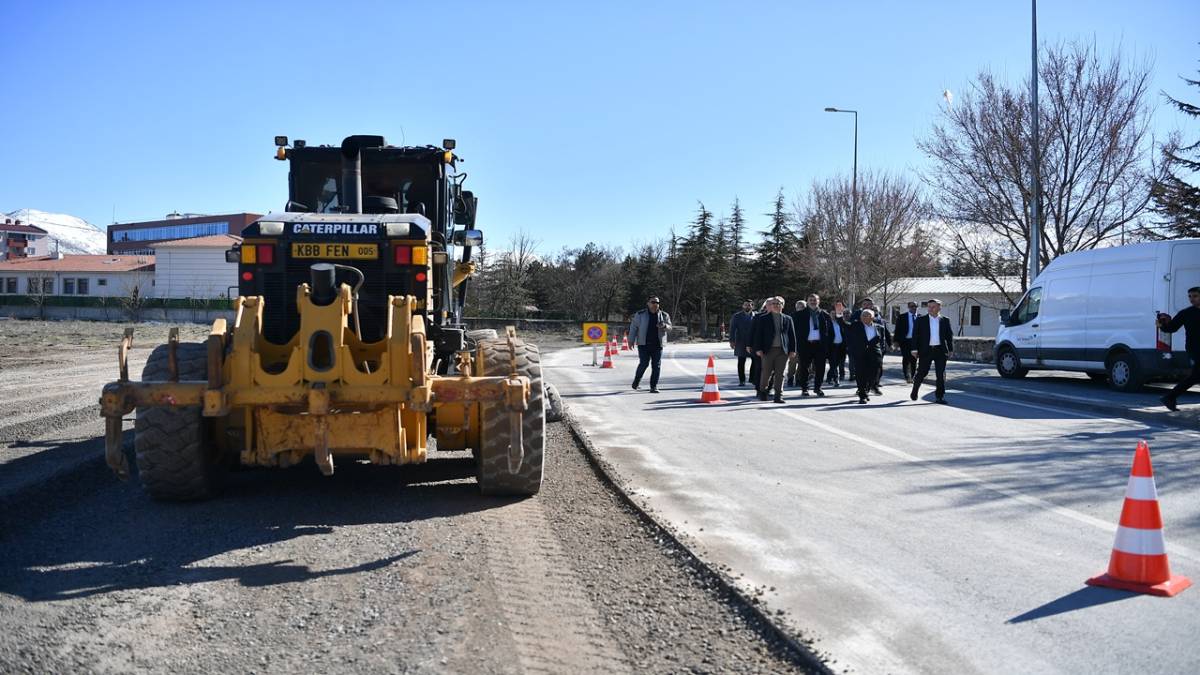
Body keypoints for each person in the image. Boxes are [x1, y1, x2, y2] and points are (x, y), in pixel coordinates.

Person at [1158, 286, 1200, 411]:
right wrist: (1162, 323)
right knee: (1196, 376)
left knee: (1196, 376)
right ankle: (1169, 397)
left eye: (1195, 296)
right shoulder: (1186, 313)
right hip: (1195, 349)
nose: (1191, 299)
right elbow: (1172, 328)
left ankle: (1169, 397)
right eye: (1190, 296)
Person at [751, 296, 797, 403]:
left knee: (780, 374)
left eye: (778, 303)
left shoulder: (788, 319)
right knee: (766, 372)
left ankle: (778, 396)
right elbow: (759, 335)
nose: (776, 305)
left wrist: (792, 350)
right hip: (768, 350)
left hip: (782, 351)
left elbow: (792, 336)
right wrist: (758, 349)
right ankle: (762, 391)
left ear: (782, 306)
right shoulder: (764, 318)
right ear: (771, 306)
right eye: (774, 303)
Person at [910, 298, 953, 404]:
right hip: (926, 350)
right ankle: (915, 390)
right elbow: (915, 335)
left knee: (941, 374)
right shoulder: (921, 320)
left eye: (933, 307)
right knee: (922, 372)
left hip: (940, 350)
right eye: (929, 306)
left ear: (939, 307)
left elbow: (949, 336)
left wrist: (950, 349)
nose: (930, 309)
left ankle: (939, 396)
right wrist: (914, 349)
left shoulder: (945, 320)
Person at [628, 296, 672, 393]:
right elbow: (633, 327)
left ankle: (654, 386)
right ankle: (636, 381)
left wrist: (664, 326)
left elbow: (670, 327)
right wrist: (630, 340)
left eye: (657, 303)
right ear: (648, 303)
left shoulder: (664, 315)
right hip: (643, 344)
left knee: (656, 366)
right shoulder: (640, 315)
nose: (655, 304)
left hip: (658, 345)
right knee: (644, 364)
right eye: (653, 302)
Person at [794, 294, 832, 397]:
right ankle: (804, 388)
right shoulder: (799, 315)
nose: (813, 302)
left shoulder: (824, 315)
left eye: (815, 300)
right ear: (807, 301)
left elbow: (829, 332)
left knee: (820, 368)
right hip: (805, 345)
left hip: (820, 345)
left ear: (819, 301)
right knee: (804, 368)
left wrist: (828, 345)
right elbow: (794, 331)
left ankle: (818, 388)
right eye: (811, 300)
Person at [847, 309, 885, 404]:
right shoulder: (856, 326)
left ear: (872, 317)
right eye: (862, 315)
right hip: (860, 354)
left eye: (866, 315)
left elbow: (882, 341)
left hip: (875, 355)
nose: (864, 317)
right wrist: (839, 315)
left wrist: (882, 351)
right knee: (861, 375)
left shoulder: (879, 327)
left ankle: (868, 388)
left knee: (874, 374)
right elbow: (844, 324)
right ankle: (862, 395)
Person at [728, 299, 756, 386]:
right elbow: (732, 329)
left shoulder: (757, 316)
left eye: (749, 305)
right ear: (743, 306)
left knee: (755, 361)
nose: (747, 306)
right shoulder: (737, 316)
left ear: (752, 306)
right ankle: (742, 380)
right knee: (741, 361)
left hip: (753, 342)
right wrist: (732, 341)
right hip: (740, 341)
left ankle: (752, 378)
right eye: (745, 305)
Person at [895, 301, 921, 383]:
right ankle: (907, 376)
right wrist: (896, 341)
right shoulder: (902, 317)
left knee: (914, 359)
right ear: (908, 307)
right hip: (905, 341)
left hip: (916, 342)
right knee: (906, 358)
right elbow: (897, 330)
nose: (914, 308)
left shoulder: (921, 317)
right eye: (912, 306)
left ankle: (912, 376)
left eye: (915, 306)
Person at [826, 301, 849, 388]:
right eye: (831, 313)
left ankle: (829, 377)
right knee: (833, 363)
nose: (833, 315)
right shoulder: (827, 323)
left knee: (836, 363)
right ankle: (836, 379)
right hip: (832, 346)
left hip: (841, 347)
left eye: (834, 313)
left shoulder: (841, 323)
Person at [786, 299, 806, 387]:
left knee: (802, 363)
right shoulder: (792, 316)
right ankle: (790, 377)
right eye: (799, 306)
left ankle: (798, 378)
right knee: (793, 362)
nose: (800, 308)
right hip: (794, 343)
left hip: (805, 343)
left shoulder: (807, 316)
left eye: (802, 306)